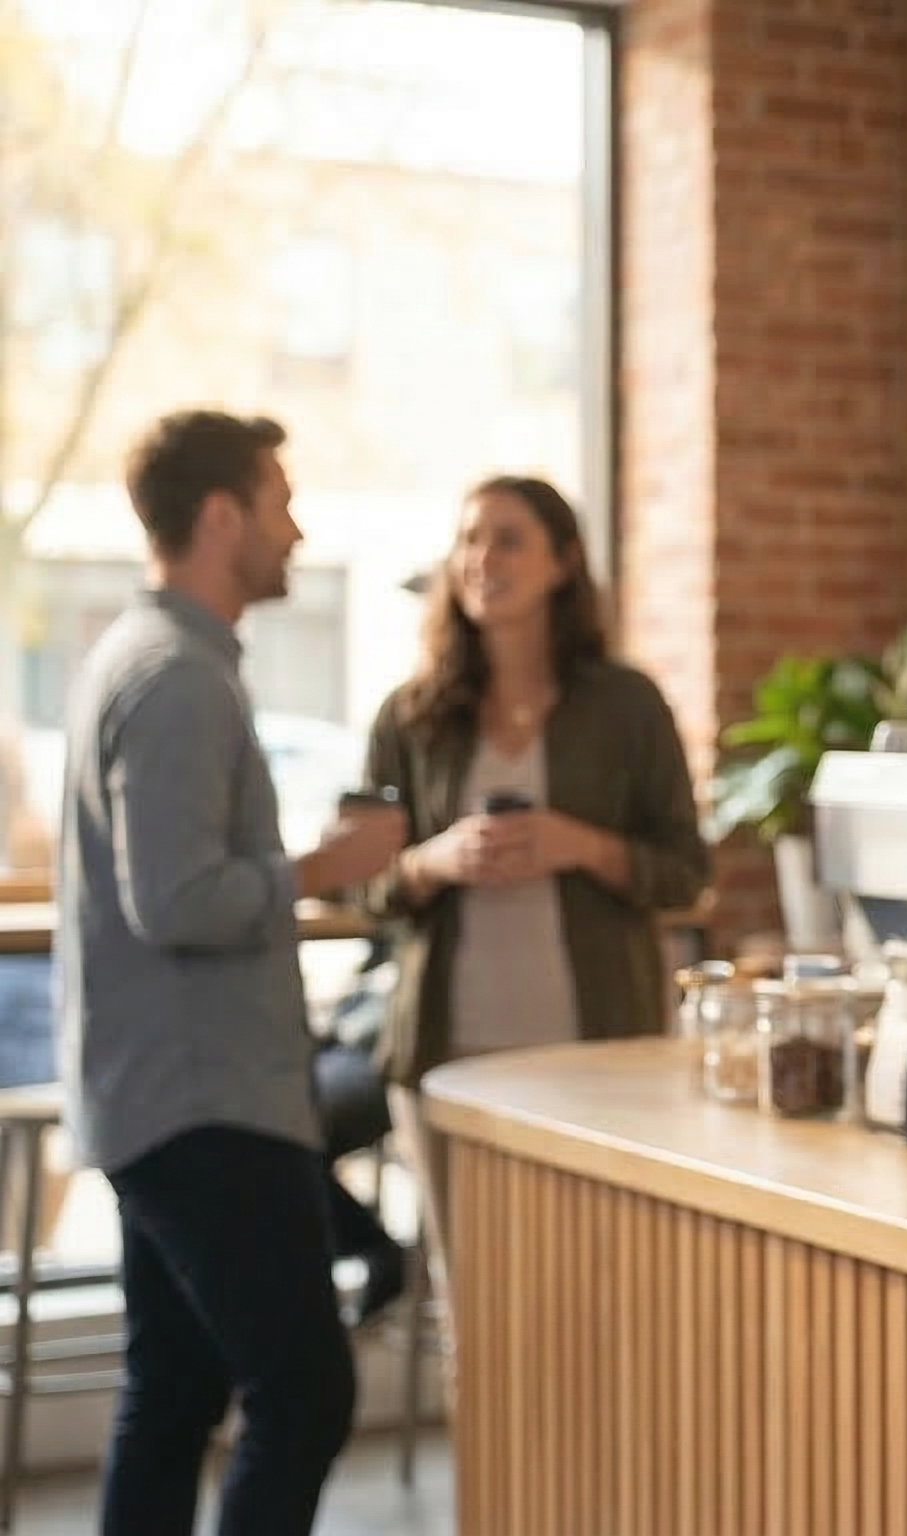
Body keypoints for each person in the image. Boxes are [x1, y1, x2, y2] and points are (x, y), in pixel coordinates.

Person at [57, 409, 408, 1536]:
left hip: (166, 1095)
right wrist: (324, 865)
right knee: (304, 1394)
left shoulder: (152, 659)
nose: (296, 527)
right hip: (203, 1106)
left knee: (176, 1391)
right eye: (279, 499)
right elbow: (179, 901)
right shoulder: (177, 679)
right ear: (221, 517)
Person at [361, 475, 710, 1300]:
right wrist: (432, 860)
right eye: (468, 539)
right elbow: (362, 886)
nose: (482, 558)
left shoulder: (628, 706)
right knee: (472, 1302)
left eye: (508, 538)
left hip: (598, 1055)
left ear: (564, 562)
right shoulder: (411, 717)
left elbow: (687, 874)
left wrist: (580, 845)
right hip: (445, 1055)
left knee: (595, 1292)